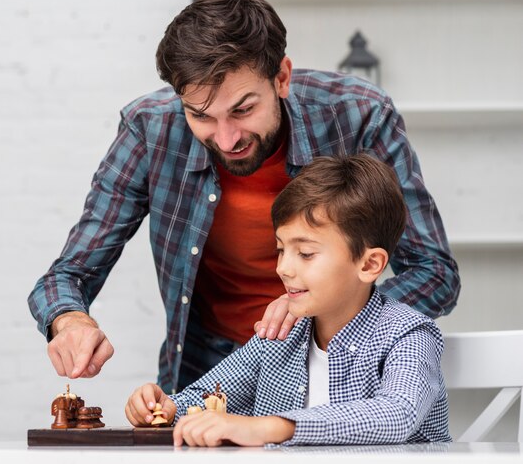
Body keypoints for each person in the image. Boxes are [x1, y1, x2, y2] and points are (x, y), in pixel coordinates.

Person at [27, 0, 460, 394]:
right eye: (202, 116)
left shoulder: (359, 116)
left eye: (244, 109)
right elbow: (67, 275)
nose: (227, 138)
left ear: (282, 78)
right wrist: (69, 321)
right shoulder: (149, 129)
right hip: (207, 370)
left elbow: (434, 272)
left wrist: (326, 313)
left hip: (335, 362)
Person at [125, 154, 451, 447]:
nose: (283, 268)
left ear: (369, 265)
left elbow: (396, 414)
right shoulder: (281, 335)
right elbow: (204, 397)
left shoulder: (408, 336)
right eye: (281, 249)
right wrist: (163, 408)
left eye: (306, 254)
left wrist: (270, 428)